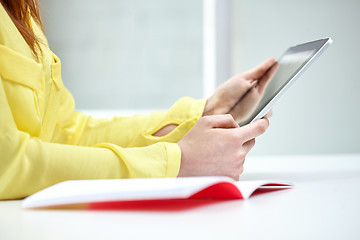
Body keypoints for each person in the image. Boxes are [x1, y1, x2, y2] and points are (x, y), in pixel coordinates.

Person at [0, 0, 276, 200]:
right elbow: (8, 163)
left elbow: (68, 133)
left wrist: (207, 111)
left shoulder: (22, 11)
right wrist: (176, 163)